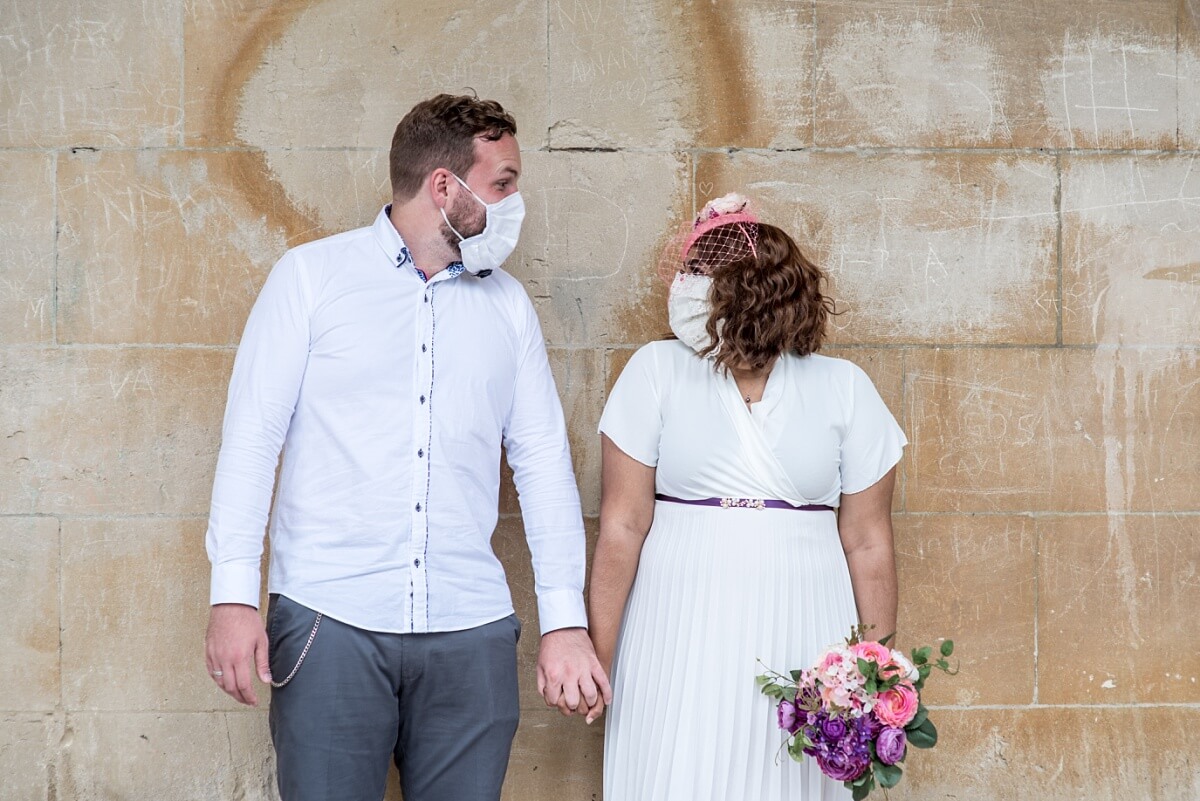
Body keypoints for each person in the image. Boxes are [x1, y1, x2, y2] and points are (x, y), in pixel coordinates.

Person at [203, 93, 610, 801]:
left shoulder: (508, 306)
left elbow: (542, 464)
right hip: (328, 620)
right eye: (504, 183)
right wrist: (233, 597)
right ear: (444, 186)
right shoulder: (310, 280)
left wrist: (565, 621)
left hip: (470, 628)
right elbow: (251, 440)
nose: (516, 202)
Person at [589, 194, 906, 800]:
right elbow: (622, 526)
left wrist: (873, 675)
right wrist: (599, 661)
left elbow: (867, 541)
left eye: (703, 277)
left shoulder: (845, 389)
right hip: (675, 624)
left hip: (804, 619)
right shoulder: (655, 371)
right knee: (676, 767)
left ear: (757, 291)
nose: (686, 287)